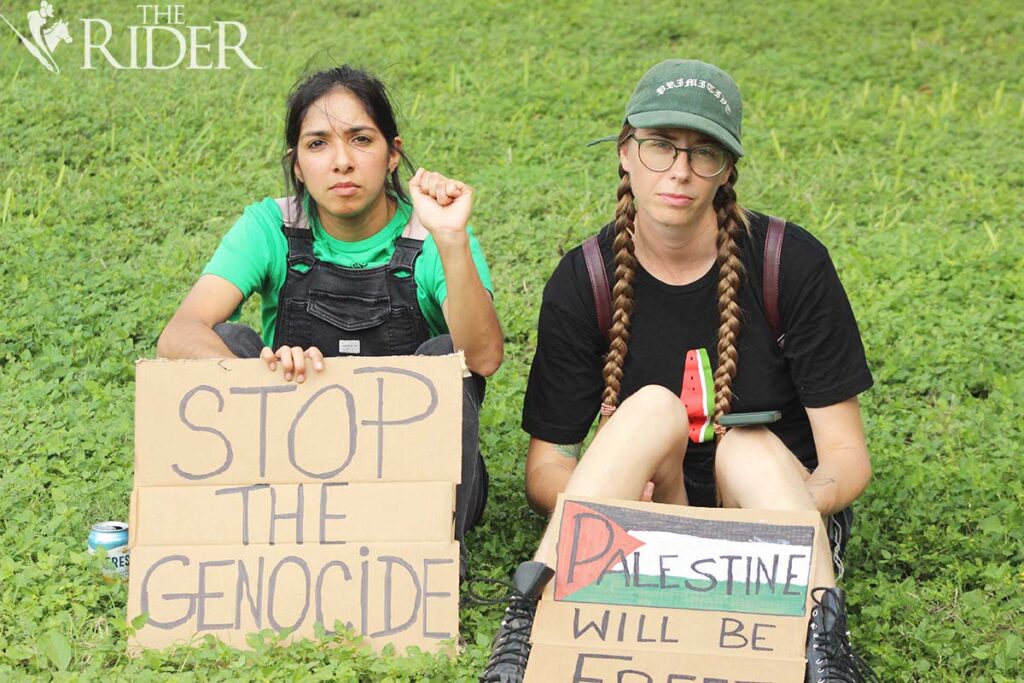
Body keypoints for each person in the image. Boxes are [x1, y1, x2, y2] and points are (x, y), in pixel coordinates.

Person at [480, 60, 878, 682]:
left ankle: (823, 649)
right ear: (625, 153)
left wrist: (804, 505)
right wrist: (617, 505)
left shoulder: (787, 264)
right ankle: (527, 631)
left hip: (770, 521)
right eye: (660, 146)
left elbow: (847, 455)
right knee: (650, 407)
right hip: (653, 523)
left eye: (704, 153)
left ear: (727, 171)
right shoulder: (585, 280)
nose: (680, 172)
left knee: (742, 442)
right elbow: (546, 466)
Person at [157, 65, 503, 573]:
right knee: (226, 339)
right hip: (293, 475)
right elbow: (179, 334)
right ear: (297, 164)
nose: (341, 162)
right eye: (317, 144)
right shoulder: (272, 225)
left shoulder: (434, 234)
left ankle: (432, 557)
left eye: (361, 140)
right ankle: (232, 529)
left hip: (412, 484)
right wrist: (263, 368)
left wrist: (451, 238)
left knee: (443, 357)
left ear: (393, 155)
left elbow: (484, 357)